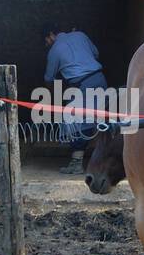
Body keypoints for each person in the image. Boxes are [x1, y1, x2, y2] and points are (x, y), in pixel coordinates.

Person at [43, 24, 107, 174]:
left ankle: (77, 163)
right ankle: (100, 159)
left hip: (82, 85)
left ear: (50, 35)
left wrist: (51, 98)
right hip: (99, 79)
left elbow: (49, 78)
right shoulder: (81, 35)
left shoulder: (54, 50)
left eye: (46, 41)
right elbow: (96, 54)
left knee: (76, 123)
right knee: (97, 120)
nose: (46, 45)